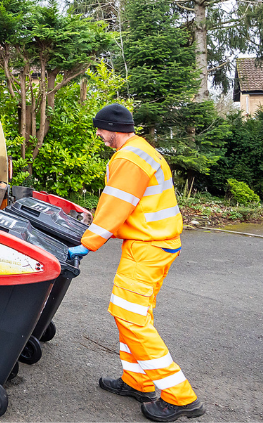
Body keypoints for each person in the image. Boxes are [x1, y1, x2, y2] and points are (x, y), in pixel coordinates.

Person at [68, 103, 205, 422]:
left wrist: (87, 243)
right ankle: (138, 382)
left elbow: (118, 204)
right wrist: (95, 223)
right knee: (128, 315)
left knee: (131, 318)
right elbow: (132, 205)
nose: (99, 135)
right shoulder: (143, 150)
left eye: (100, 129)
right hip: (152, 245)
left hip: (148, 249)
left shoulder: (128, 158)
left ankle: (180, 397)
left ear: (112, 129)